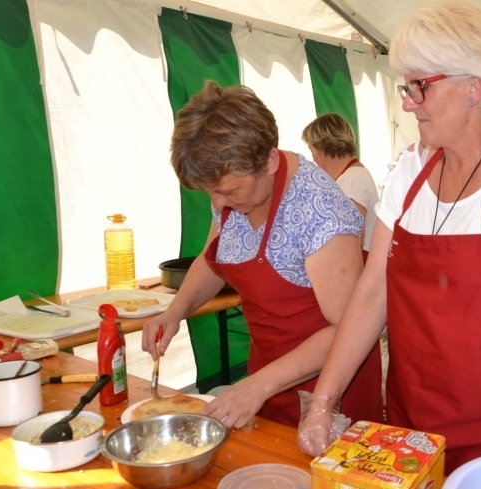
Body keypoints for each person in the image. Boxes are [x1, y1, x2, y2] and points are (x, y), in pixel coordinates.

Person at [297, 0, 481, 475]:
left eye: (420, 87)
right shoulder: (410, 167)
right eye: (405, 87)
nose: (408, 102)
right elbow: (371, 294)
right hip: (411, 422)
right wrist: (324, 398)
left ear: (475, 87)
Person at [142, 81, 383, 430]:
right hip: (267, 378)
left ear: (269, 161)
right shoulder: (231, 192)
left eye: (226, 191)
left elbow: (349, 327)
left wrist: (258, 385)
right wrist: (175, 311)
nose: (217, 204)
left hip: (328, 393)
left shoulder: (319, 210)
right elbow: (213, 260)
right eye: (210, 192)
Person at [302, 113, 379, 261]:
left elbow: (354, 240)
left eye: (311, 150)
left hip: (360, 266)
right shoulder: (352, 176)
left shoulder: (352, 180)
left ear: (321, 149)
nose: (312, 157)